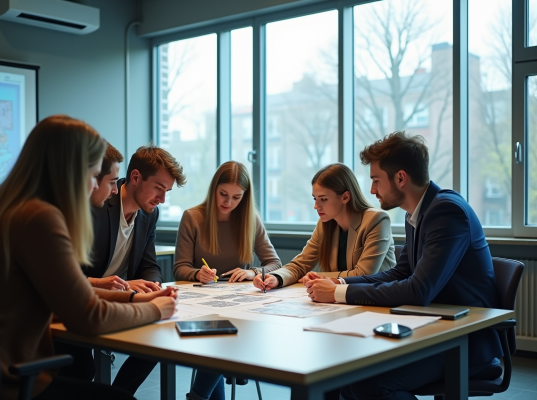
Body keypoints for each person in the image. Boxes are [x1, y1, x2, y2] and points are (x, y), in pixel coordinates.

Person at [0, 115, 178, 400]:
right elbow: (87, 316)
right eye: (94, 176)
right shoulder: (38, 216)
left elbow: (65, 293)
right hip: (9, 382)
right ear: (69, 169)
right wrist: (158, 310)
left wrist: (134, 298)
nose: (97, 187)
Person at [306, 132, 502, 400]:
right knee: (338, 376)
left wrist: (339, 294)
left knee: (365, 385)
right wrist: (341, 283)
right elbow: (401, 273)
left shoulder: (446, 212)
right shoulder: (418, 212)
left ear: (400, 178)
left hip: (464, 340)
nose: (372, 190)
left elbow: (418, 290)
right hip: (433, 326)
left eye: (376, 181)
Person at [57, 143, 187, 395]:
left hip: (114, 297)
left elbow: (149, 265)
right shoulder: (96, 202)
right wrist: (127, 287)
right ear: (136, 177)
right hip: (82, 301)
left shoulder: (150, 214)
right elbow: (67, 276)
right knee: (83, 370)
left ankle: (120, 393)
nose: (161, 199)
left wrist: (151, 285)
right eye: (159, 189)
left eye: (167, 192)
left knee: (159, 340)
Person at [175, 161, 281, 400]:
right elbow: (179, 268)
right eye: (223, 194)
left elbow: (274, 263)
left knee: (222, 340)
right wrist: (196, 274)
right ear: (214, 189)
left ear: (245, 197)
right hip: (201, 307)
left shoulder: (250, 218)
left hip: (241, 307)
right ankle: (198, 396)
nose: (228, 203)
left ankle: (197, 396)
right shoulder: (193, 217)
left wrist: (253, 272)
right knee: (219, 341)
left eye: (236, 197)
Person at [253, 163, 396, 292]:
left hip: (378, 298)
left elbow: (364, 274)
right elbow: (299, 265)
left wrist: (319, 276)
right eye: (315, 199)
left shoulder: (377, 219)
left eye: (323, 199)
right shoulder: (325, 223)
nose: (316, 206)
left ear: (345, 197)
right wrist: (276, 278)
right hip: (339, 299)